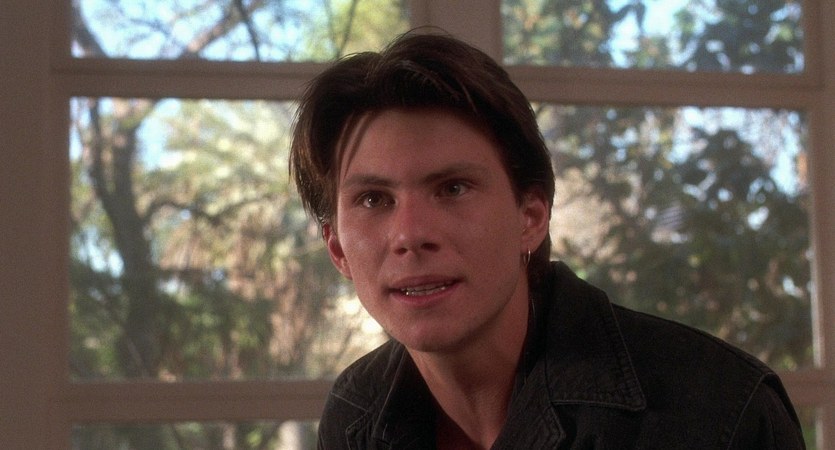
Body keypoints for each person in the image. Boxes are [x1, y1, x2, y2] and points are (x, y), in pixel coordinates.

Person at [290, 31, 805, 449]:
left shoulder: (720, 413)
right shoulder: (355, 413)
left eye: (453, 188)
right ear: (337, 249)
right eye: (373, 199)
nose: (410, 234)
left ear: (531, 216)